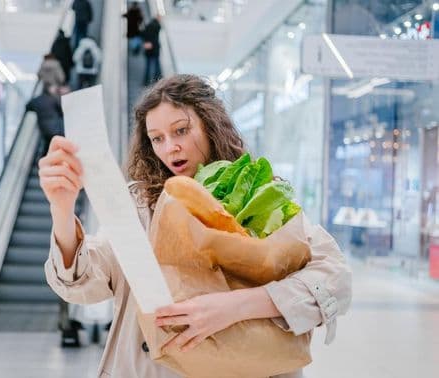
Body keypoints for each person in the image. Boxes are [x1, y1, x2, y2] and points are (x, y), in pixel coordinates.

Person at [41, 74, 352, 377]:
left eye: (181, 130)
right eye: (157, 138)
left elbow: (334, 278)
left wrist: (235, 306)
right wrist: (62, 210)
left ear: (210, 125)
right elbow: (85, 281)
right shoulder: (139, 207)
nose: (170, 147)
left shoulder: (259, 193)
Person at [25, 83, 68, 156]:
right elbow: (62, 111)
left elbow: (28, 106)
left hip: (45, 129)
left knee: (48, 145)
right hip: (56, 128)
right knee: (58, 143)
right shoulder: (53, 99)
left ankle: (44, 160)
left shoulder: (37, 100)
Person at [141, 15, 162, 86]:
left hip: (148, 50)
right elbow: (158, 29)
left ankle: (146, 81)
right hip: (155, 50)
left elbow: (143, 34)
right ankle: (158, 79)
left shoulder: (148, 26)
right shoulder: (157, 26)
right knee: (156, 65)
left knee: (148, 65)